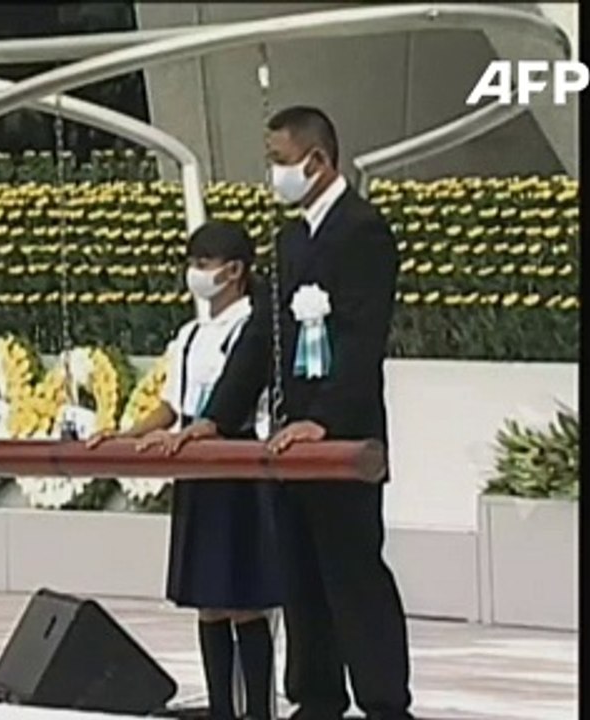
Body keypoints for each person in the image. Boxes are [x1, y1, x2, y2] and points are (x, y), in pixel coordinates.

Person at [168, 106, 414, 720]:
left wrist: (325, 420)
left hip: (340, 435)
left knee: (351, 568)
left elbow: (362, 338)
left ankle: (384, 701)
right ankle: (317, 696)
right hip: (286, 441)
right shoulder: (292, 237)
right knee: (299, 572)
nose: (274, 173)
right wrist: (216, 417)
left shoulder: (362, 229)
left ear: (318, 160)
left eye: (280, 161)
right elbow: (263, 337)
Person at [86, 220, 282, 720]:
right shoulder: (191, 334)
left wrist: (191, 434)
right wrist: (125, 434)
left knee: (244, 596)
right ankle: (221, 708)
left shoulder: (254, 326)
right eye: (192, 264)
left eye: (204, 264)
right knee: (209, 598)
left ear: (235, 270)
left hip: (236, 463)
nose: (195, 273)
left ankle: (257, 709)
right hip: (195, 467)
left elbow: (232, 402)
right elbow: (172, 405)